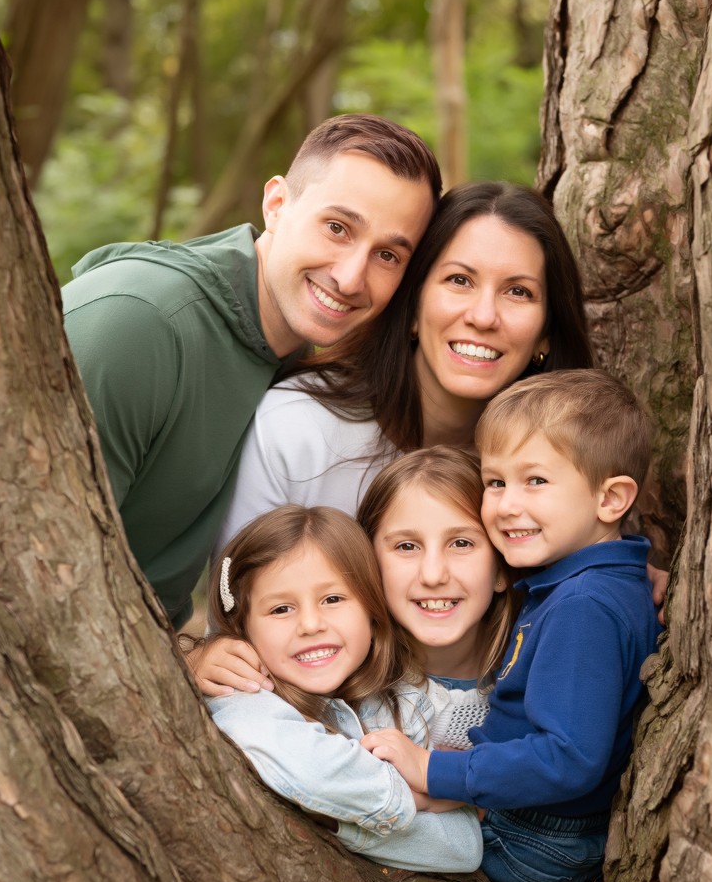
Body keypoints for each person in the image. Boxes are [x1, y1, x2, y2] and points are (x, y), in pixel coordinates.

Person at [196, 181, 593, 695]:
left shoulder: (562, 468)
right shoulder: (297, 430)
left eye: (518, 291)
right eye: (458, 280)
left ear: (545, 332)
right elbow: (234, 617)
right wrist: (206, 653)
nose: (484, 316)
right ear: (410, 306)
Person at [61, 115, 441, 627]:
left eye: (388, 255)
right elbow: (41, 558)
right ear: (277, 204)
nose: (351, 277)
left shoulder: (299, 358)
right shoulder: (140, 324)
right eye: (337, 228)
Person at [362, 370, 663, 882]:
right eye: (497, 482)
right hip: (533, 815)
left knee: (363, 825)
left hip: (536, 838)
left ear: (611, 500)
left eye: (535, 481)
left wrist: (435, 773)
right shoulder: (591, 582)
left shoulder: (583, 607)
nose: (506, 505)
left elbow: (568, 758)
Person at [193, 505, 483, 874]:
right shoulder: (243, 692)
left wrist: (336, 818)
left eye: (333, 599)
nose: (311, 624)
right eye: (281, 609)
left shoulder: (399, 702)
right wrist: (419, 796)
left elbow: (462, 847)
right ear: (243, 627)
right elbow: (310, 767)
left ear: (372, 612)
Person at [357, 447, 516, 694]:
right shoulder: (337, 691)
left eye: (461, 543)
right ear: (370, 563)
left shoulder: (541, 684)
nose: (433, 575)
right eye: (407, 546)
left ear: (501, 568)